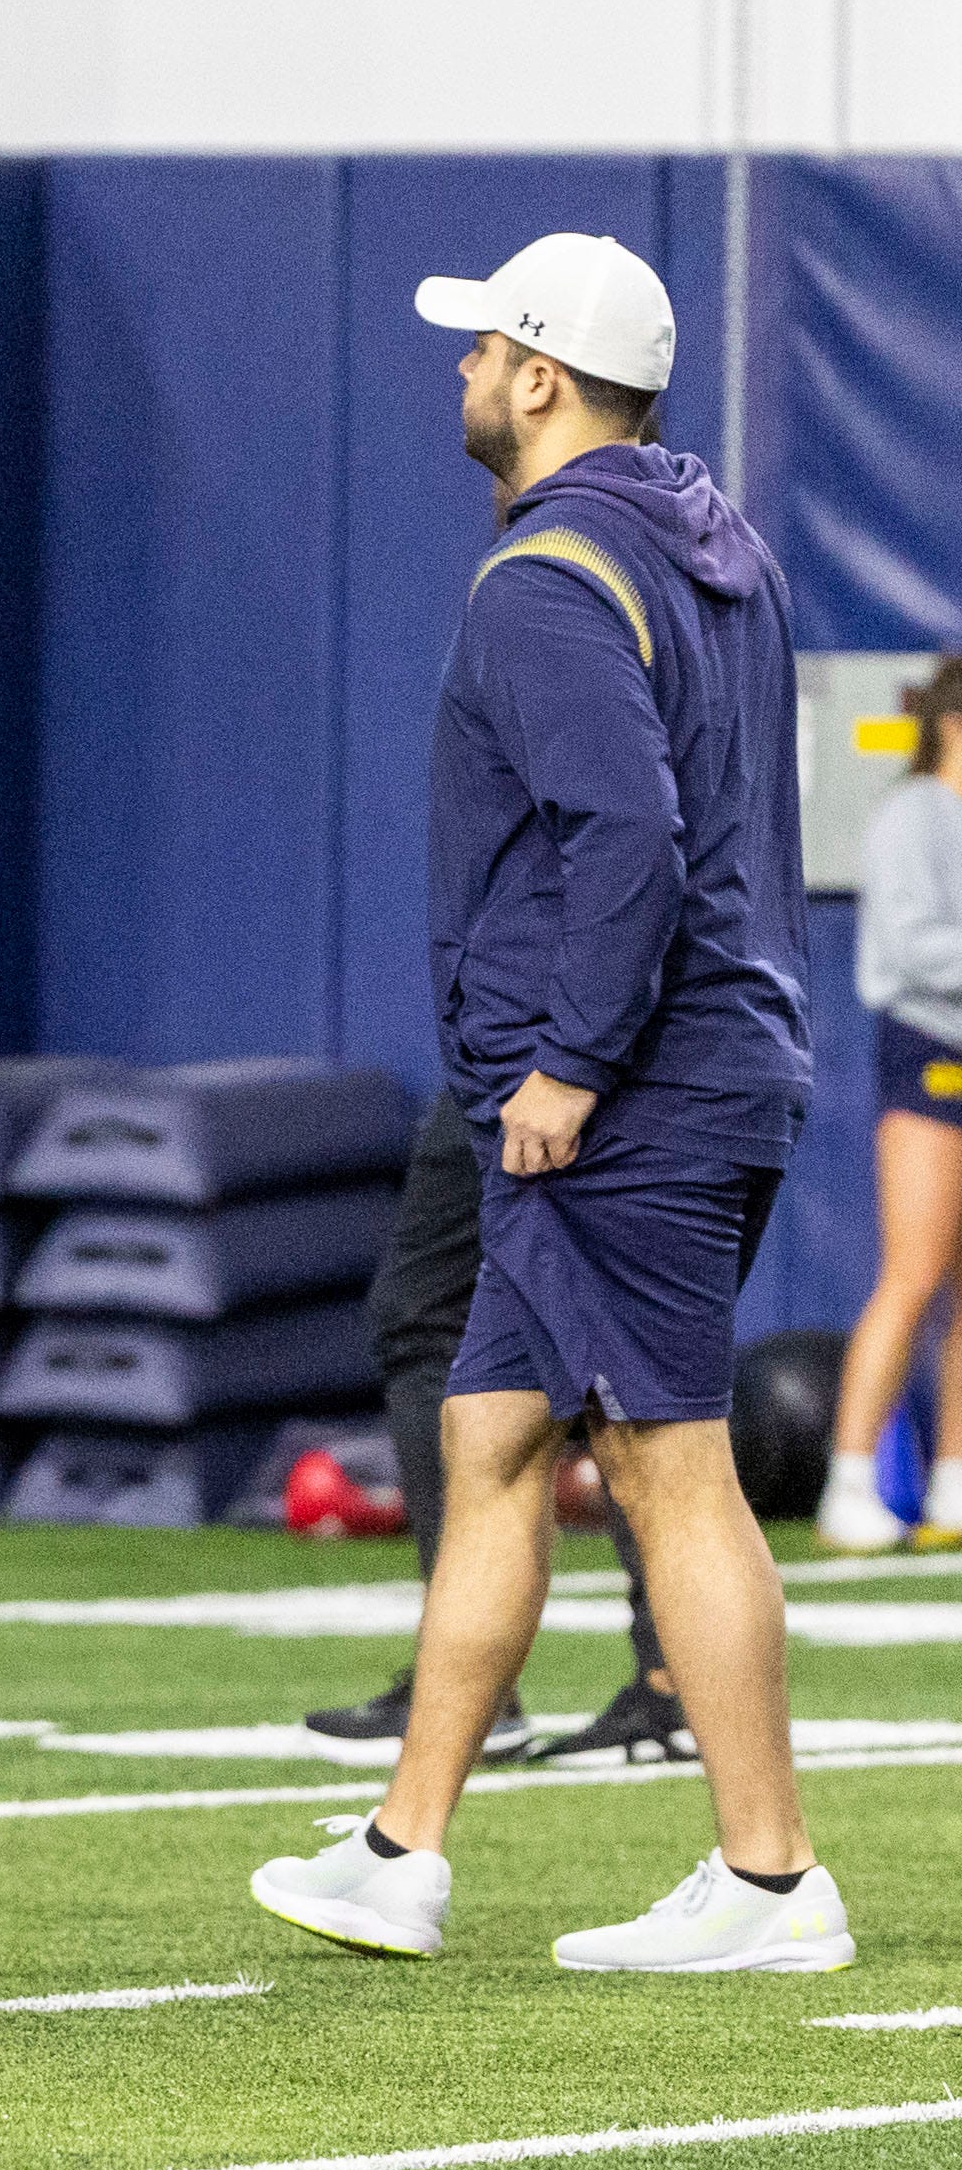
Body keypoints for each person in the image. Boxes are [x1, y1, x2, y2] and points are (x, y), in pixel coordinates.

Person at [249, 232, 850, 1974]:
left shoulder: (543, 580)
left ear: (541, 376)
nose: (459, 375)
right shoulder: (715, 554)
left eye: (483, 348)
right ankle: (400, 1851)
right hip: (700, 1065)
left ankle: (766, 1881)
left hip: (627, 1094)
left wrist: (572, 1065)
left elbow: (631, 837)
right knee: (491, 1439)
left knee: (670, 1467)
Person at [304, 1090, 696, 1766]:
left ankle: (474, 1693)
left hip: (542, 1061)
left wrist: (567, 1065)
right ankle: (682, 1689)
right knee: (629, 1339)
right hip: (654, 1067)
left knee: (430, 1316)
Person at [817, 655, 962, 1553]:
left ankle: (953, 1483)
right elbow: (910, 948)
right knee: (911, 1275)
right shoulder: (912, 815)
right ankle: (848, 1480)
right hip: (930, 1057)